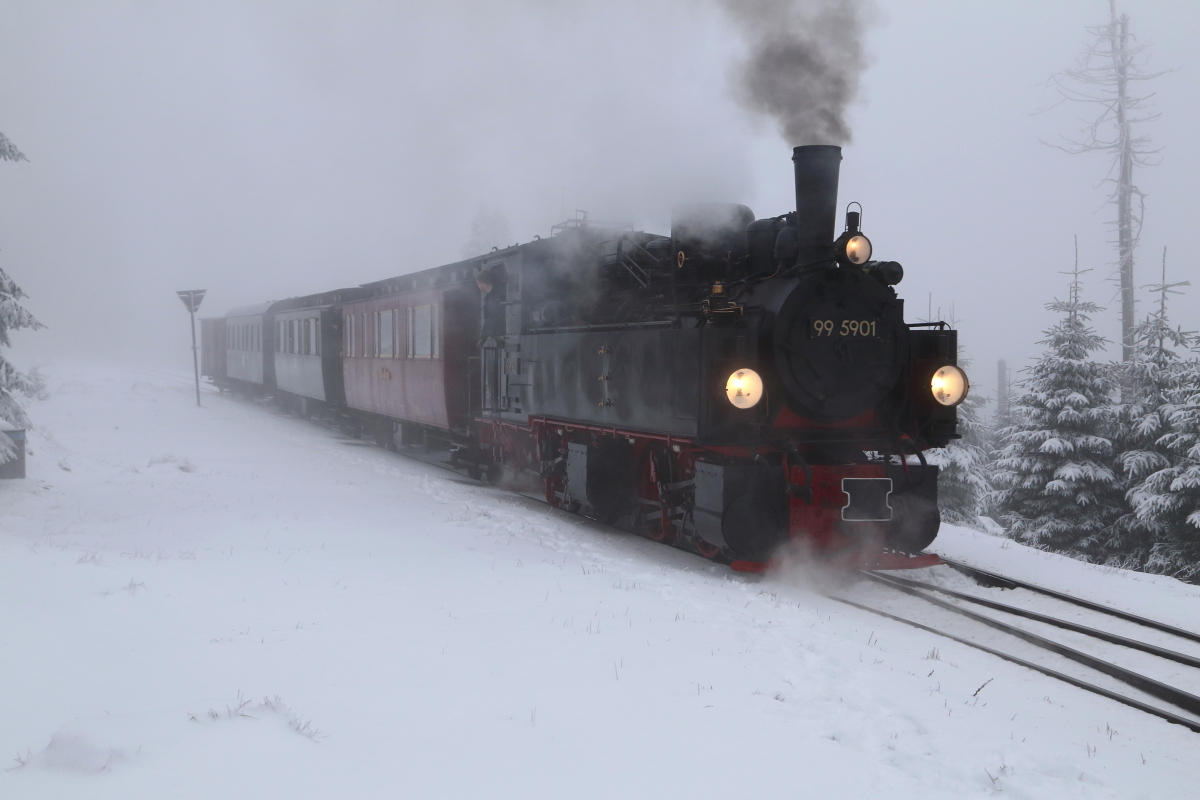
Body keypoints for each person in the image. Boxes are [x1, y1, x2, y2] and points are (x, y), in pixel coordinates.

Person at [475, 269, 505, 348]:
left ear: (481, 283)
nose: (478, 286)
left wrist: (483, 338)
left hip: (501, 334)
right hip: (498, 335)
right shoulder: (488, 298)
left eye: (477, 283)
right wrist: (483, 338)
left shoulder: (494, 296)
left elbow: (490, 319)